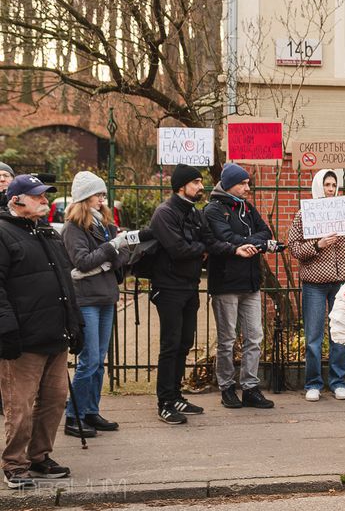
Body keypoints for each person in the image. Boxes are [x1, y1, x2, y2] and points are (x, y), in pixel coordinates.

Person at [0, 174, 82, 488]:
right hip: (23, 338)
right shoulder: (4, 233)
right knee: (19, 406)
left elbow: (65, 283)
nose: (45, 202)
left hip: (54, 334)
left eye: (46, 196)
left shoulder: (47, 233)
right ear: (17, 200)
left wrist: (75, 322)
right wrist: (7, 329)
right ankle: (15, 464)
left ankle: (39, 456)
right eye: (38, 197)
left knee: (54, 399)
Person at [148, 164, 246, 424]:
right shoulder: (164, 213)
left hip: (189, 287)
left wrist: (224, 248)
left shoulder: (192, 212)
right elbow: (178, 248)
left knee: (183, 343)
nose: (201, 187)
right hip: (168, 288)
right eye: (196, 182)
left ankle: (176, 394)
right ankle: (165, 402)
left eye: (201, 182)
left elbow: (209, 242)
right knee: (170, 345)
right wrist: (200, 248)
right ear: (181, 186)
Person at [60, 172, 132, 438]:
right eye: (97, 195)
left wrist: (110, 253)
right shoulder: (73, 228)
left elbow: (123, 253)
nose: (103, 200)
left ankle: (91, 410)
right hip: (87, 298)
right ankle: (73, 416)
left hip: (106, 296)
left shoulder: (105, 225)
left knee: (99, 360)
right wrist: (110, 250)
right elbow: (82, 260)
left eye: (103, 195)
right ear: (83, 197)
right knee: (88, 360)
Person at [203, 163, 274, 410]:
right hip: (226, 283)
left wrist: (251, 242)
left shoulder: (247, 208)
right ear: (230, 184)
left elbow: (266, 232)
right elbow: (225, 239)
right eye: (242, 183)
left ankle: (250, 387)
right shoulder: (213, 209)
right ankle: (226, 387)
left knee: (254, 336)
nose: (247, 187)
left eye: (247, 183)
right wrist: (250, 242)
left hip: (251, 282)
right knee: (227, 339)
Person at [286, 169, 345, 402]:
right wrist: (318, 245)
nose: (330, 189)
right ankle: (313, 383)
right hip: (315, 284)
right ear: (319, 186)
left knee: (340, 333)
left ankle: (338, 382)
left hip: (342, 282)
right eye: (327, 184)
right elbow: (294, 248)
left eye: (333, 185)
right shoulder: (304, 214)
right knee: (313, 336)